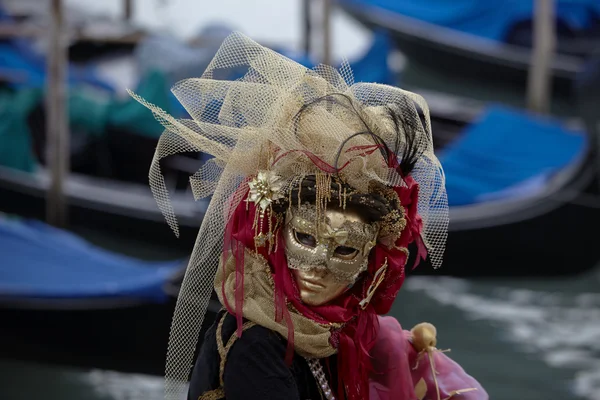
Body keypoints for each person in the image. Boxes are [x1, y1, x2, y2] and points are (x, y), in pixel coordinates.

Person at [130, 32, 488, 400]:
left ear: (371, 263)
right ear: (274, 234)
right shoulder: (255, 345)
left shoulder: (339, 335)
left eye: (345, 250)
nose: (318, 266)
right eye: (306, 238)